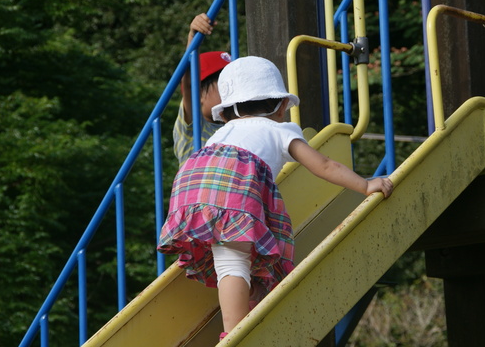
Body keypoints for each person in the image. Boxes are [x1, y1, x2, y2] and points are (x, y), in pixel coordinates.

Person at [157, 56, 394, 341]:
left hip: (192, 182)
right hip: (232, 184)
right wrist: (366, 185)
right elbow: (325, 166)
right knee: (236, 258)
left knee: (229, 257)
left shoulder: (221, 133)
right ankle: (234, 333)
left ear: (229, 109)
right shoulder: (280, 130)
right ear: (282, 106)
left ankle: (241, 316)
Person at [173, 13, 230, 166]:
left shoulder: (232, 126)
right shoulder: (194, 126)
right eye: (224, 85)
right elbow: (189, 82)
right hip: (197, 189)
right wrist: (193, 37)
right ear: (198, 94)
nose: (231, 92)